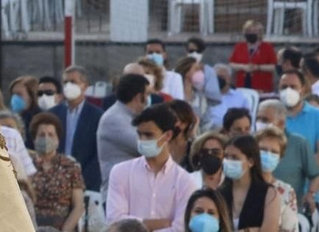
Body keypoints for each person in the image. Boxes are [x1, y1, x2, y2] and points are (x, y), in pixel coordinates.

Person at [105, 102, 199, 231]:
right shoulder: (121, 172)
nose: (142, 140)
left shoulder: (185, 181)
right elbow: (114, 220)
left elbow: (180, 228)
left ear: (167, 135)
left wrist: (135, 225)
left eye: (149, 135)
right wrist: (161, 224)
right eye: (140, 134)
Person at [29, 111, 86, 232]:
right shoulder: (26, 166)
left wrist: (65, 230)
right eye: (41, 135)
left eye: (51, 135)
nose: (46, 138)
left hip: (62, 226)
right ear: (34, 139)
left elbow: (78, 206)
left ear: (58, 140)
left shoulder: (70, 167)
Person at [219, 133, 283, 232]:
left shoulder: (269, 194)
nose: (228, 161)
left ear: (250, 162)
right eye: (226, 157)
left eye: (235, 157)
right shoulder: (219, 193)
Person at [99, 73, 150, 186]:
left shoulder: (132, 117)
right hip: (118, 192)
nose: (148, 99)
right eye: (147, 94)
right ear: (138, 97)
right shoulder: (114, 119)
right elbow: (145, 148)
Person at [229, 21, 277, 93]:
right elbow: (231, 64)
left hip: (261, 86)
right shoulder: (239, 46)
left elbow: (274, 66)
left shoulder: (267, 47)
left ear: (260, 33)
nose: (251, 33)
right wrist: (243, 67)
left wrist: (258, 67)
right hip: (242, 84)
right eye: (249, 31)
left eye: (255, 31)